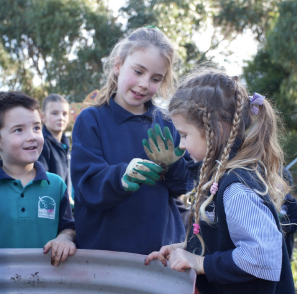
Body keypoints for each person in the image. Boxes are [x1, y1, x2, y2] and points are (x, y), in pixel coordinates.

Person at [145, 68, 295, 294]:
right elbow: (223, 242)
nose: (182, 145)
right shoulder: (217, 179)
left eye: (184, 135)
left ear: (213, 131)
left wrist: (201, 263)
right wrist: (185, 250)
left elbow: (264, 257)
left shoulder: (236, 189)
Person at [71, 27, 190, 254]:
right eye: (138, 71)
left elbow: (183, 186)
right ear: (118, 65)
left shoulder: (167, 123)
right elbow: (86, 187)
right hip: (104, 255)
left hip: (159, 253)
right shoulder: (90, 120)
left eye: (156, 78)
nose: (145, 83)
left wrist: (174, 165)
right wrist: (122, 177)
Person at [0, 91, 76, 267]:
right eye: (18, 130)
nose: (32, 136)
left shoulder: (56, 185)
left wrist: (65, 238)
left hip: (46, 284)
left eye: (36, 128)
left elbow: (68, 227)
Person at [38, 93, 73, 207]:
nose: (60, 118)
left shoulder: (65, 143)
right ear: (43, 117)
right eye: (54, 113)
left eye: (64, 114)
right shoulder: (41, 143)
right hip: (49, 204)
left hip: (64, 203)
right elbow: (42, 180)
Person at [281, 167, 297, 261]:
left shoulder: (293, 203)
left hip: (286, 249)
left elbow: (294, 225)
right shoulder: (270, 202)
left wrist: (281, 226)